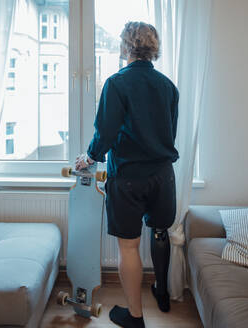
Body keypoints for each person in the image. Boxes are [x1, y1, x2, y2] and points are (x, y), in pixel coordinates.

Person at [75, 21, 179, 328]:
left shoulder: (117, 83)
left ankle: (135, 317)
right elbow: (168, 132)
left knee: (129, 247)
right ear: (153, 48)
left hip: (130, 178)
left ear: (125, 47)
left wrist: (90, 156)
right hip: (163, 175)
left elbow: (105, 133)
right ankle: (162, 292)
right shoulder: (167, 86)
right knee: (160, 232)